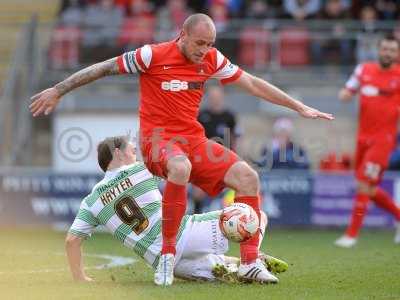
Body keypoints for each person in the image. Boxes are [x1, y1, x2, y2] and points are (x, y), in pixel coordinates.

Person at [30, 13, 333, 286]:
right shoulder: (151, 55)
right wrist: (58, 89)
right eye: (199, 43)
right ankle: (167, 254)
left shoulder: (211, 59)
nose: (204, 49)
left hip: (193, 140)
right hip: (156, 140)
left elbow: (252, 84)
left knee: (248, 177)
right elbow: (104, 68)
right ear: (182, 35)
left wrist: (298, 106)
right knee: (180, 168)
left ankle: (250, 264)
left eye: (210, 43)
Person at [65, 135, 288, 283]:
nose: (136, 154)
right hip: (182, 236)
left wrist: (79, 278)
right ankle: (251, 259)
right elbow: (179, 168)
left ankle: (240, 263)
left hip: (164, 262)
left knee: (227, 274)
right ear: (118, 153)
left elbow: (72, 241)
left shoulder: (91, 201)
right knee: (257, 216)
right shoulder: (140, 170)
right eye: (132, 150)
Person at [335, 35, 400, 248]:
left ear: (397, 54)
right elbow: (347, 91)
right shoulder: (363, 70)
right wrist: (345, 94)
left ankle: (351, 235)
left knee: (364, 184)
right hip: (362, 138)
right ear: (379, 50)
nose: (388, 53)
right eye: (385, 49)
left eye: (392, 50)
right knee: (367, 188)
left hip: (383, 140)